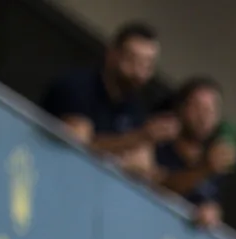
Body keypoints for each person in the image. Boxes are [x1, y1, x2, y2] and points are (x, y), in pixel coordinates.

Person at [40, 20, 173, 180]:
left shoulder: (135, 108)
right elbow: (77, 146)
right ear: (112, 54)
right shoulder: (78, 86)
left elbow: (142, 166)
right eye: (131, 60)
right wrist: (138, 138)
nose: (139, 72)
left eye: (147, 65)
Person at [153, 75, 236, 228]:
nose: (203, 117)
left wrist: (213, 212)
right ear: (181, 108)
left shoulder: (215, 165)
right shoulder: (159, 144)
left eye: (211, 110)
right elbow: (160, 185)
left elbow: (211, 205)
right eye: (197, 107)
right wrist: (204, 169)